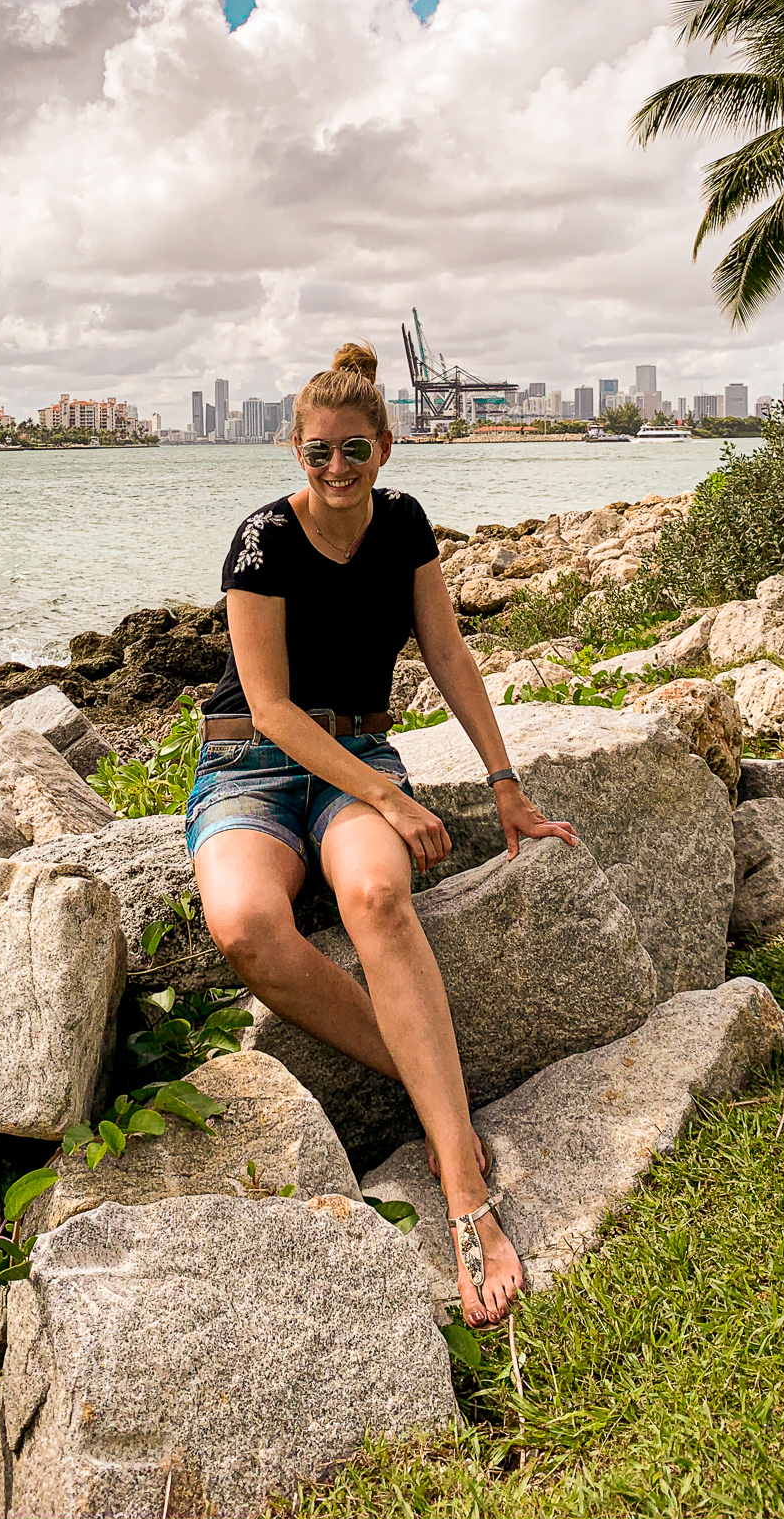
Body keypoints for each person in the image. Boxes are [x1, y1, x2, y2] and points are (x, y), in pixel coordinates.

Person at [186, 342, 578, 1327]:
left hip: (356, 757)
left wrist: (503, 782)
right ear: (295, 449)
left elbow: (446, 648)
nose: (335, 468)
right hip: (253, 762)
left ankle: (460, 1181)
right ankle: (437, 1084)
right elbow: (271, 708)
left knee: (374, 894)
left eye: (353, 449)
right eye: (317, 452)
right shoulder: (261, 541)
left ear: (385, 446)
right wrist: (395, 801)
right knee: (242, 923)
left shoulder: (403, 525)